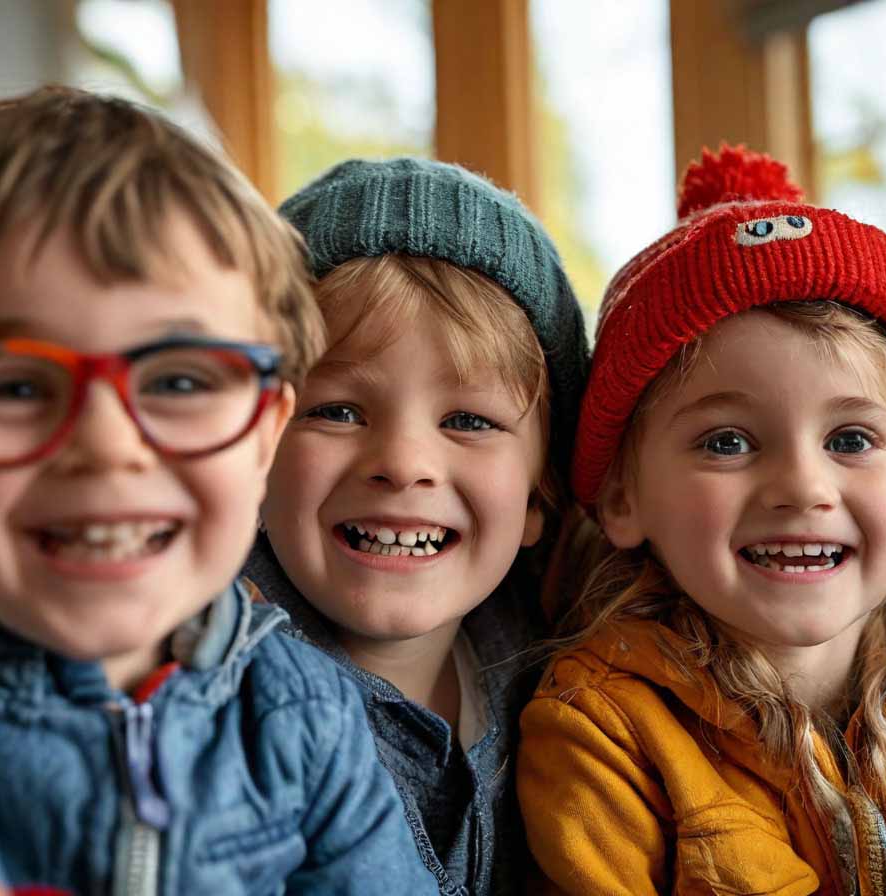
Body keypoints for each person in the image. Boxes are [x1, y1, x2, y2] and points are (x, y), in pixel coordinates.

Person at [0, 87, 436, 895]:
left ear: (265, 435)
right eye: (12, 388)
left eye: (181, 381)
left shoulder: (307, 721)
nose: (108, 446)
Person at [517, 145, 886, 895]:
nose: (804, 486)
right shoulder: (599, 732)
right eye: (727, 442)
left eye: (850, 440)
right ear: (621, 497)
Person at [243, 158, 589, 895]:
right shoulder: (216, 695)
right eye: (337, 410)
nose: (403, 464)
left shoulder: (553, 662)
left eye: (468, 421)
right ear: (253, 450)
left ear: (539, 498)